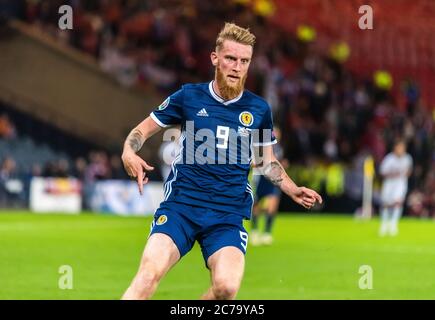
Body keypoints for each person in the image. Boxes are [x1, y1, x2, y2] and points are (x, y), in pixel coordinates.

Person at [120, 23, 322, 300]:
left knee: (226, 288)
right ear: (215, 58)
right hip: (182, 207)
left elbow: (266, 162)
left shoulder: (259, 109)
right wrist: (129, 152)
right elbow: (140, 131)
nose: (237, 67)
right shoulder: (188, 96)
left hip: (227, 215)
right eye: (230, 58)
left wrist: (292, 188)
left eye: (244, 61)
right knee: (148, 274)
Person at [250, 127, 288, 246]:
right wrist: (262, 164)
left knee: (272, 205)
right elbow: (253, 163)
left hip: (272, 179)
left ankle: (267, 233)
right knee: (256, 206)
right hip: (260, 178)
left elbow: (278, 163)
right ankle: (254, 231)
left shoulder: (278, 148)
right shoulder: (258, 145)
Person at [378, 139, 413, 236]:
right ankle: (384, 224)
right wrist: (393, 174)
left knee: (398, 202)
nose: (401, 149)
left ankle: (393, 224)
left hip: (400, 184)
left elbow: (409, 171)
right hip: (389, 184)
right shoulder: (389, 158)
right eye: (399, 147)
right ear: (395, 148)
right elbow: (382, 172)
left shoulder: (407, 158)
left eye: (403, 147)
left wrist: (406, 174)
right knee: (386, 204)